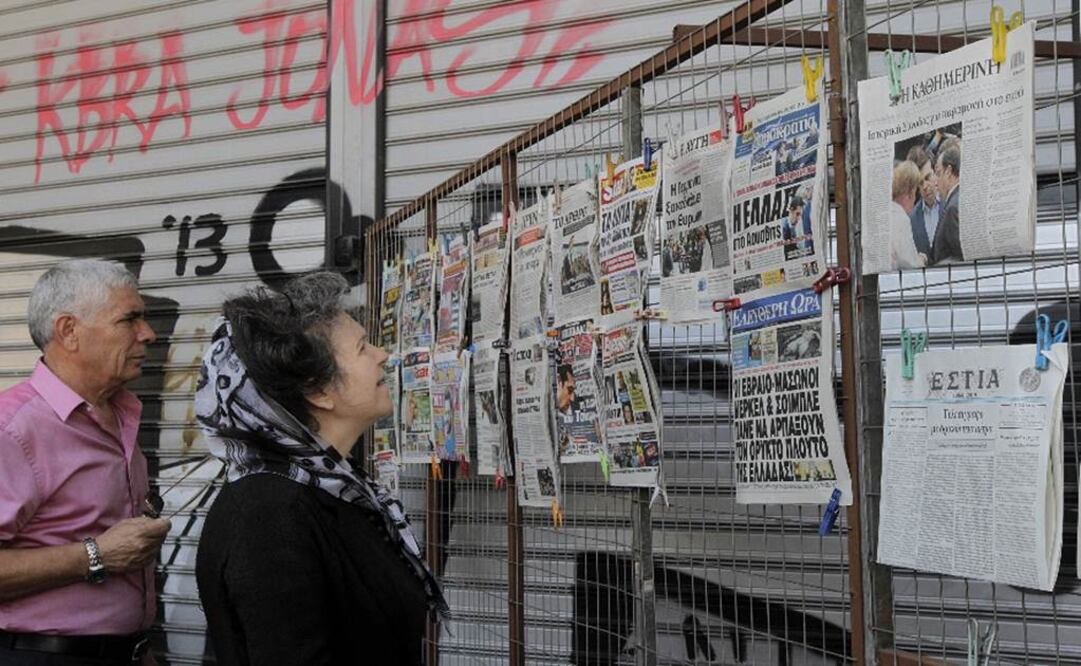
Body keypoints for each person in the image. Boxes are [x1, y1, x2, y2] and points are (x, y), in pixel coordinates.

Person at [194, 272, 448, 666]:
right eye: (363, 347)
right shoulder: (270, 515)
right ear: (318, 391)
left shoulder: (335, 489)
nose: (382, 354)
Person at [0, 259, 171, 665]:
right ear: (69, 332)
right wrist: (96, 555)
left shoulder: (122, 414)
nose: (148, 334)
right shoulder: (13, 430)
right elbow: (107, 551)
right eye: (129, 320)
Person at [889, 161, 927, 269]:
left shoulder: (887, 212)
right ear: (911, 192)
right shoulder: (900, 218)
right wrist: (920, 260)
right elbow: (908, 264)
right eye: (916, 194)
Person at [905, 145, 940, 257]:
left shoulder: (952, 203)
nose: (924, 187)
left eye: (928, 177)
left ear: (935, 171)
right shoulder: (911, 219)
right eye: (920, 183)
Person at [931, 142, 962, 264]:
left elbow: (960, 258)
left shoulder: (953, 208)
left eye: (938, 174)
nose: (936, 183)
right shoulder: (957, 201)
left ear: (948, 172)